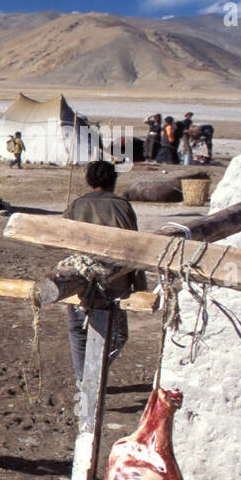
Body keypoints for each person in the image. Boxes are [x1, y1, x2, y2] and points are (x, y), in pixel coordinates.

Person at [63, 160, 143, 384]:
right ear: (113, 181)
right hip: (114, 283)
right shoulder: (122, 206)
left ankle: (85, 379)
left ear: (89, 181)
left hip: (79, 279)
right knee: (116, 336)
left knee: (79, 332)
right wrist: (139, 286)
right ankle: (93, 377)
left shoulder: (77, 205)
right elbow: (134, 248)